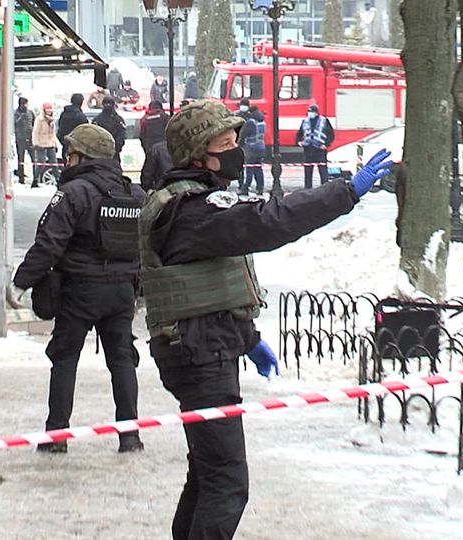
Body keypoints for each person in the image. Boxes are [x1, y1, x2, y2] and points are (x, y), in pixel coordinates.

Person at [140, 99, 392, 538]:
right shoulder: (192, 212)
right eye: (225, 144)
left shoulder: (188, 204)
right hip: (200, 355)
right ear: (199, 155)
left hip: (203, 346)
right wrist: (344, 192)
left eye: (236, 141)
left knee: (206, 473)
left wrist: (246, 337)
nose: (237, 151)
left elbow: (211, 286)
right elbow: (267, 222)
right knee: (227, 483)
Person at [9, 124, 147, 454]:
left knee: (65, 358)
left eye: (69, 154)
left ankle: (56, 436)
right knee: (123, 360)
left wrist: (20, 282)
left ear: (80, 157)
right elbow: (148, 243)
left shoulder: (74, 193)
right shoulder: (134, 194)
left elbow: (48, 244)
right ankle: (130, 436)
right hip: (121, 292)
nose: (65, 160)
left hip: (80, 290)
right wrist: (141, 287)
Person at [296, 103, 335, 189]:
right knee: (308, 171)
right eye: (309, 111)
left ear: (317, 112)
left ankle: (325, 188)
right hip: (308, 149)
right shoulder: (305, 121)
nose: (310, 113)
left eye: (312, 111)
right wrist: (299, 141)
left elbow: (331, 134)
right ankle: (307, 189)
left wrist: (326, 144)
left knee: (323, 171)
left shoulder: (324, 121)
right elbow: (299, 133)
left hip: (320, 149)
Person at [238, 105, 267, 195]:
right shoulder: (262, 122)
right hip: (261, 147)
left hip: (251, 148)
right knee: (258, 168)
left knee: (249, 168)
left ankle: (245, 188)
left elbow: (243, 135)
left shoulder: (251, 122)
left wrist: (239, 145)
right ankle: (260, 188)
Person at [31, 102, 59, 187]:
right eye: (47, 108)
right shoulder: (39, 120)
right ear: (44, 110)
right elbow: (35, 132)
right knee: (41, 163)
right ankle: (35, 180)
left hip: (51, 144)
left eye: (50, 108)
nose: (49, 110)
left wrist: (55, 144)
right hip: (41, 144)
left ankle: (58, 180)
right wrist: (35, 143)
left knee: (54, 163)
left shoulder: (52, 120)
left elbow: (53, 133)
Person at [92, 96, 127, 161]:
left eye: (109, 104)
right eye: (106, 104)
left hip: (111, 152)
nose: (108, 106)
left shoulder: (118, 120)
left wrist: (117, 148)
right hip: (101, 153)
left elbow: (122, 136)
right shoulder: (98, 120)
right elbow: (93, 136)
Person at [57, 93, 89, 162]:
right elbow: (86, 131)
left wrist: (64, 142)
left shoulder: (64, 113)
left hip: (65, 145)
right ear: (81, 102)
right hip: (77, 148)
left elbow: (60, 129)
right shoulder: (81, 116)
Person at [14, 97, 35, 185]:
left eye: (27, 104)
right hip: (20, 139)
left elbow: (34, 123)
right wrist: (21, 117)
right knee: (21, 159)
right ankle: (21, 178)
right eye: (24, 104)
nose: (26, 106)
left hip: (30, 139)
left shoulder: (30, 113)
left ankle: (35, 178)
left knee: (34, 158)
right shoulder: (16, 113)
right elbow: (14, 123)